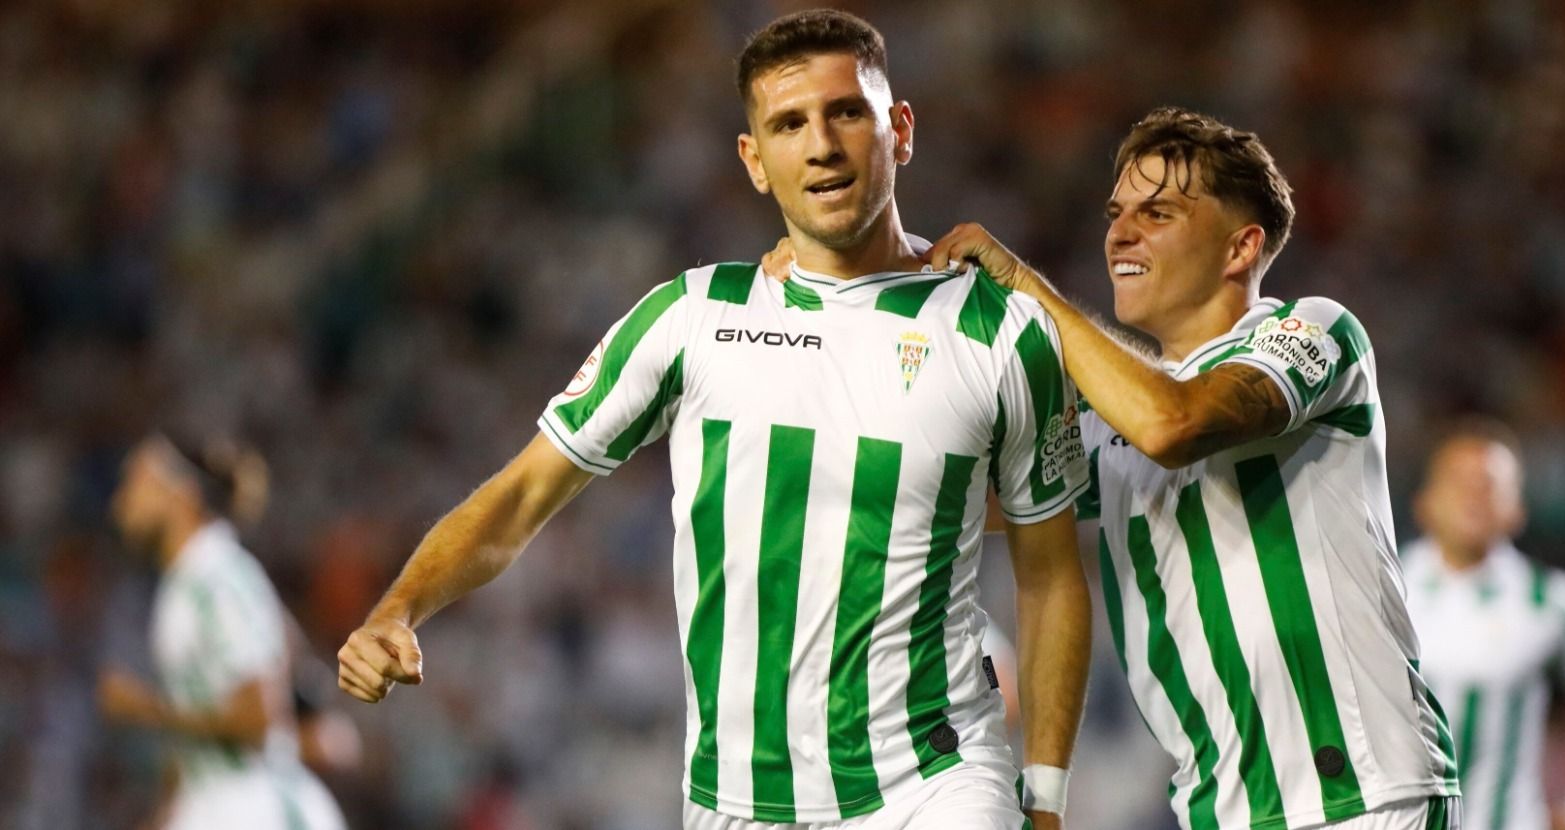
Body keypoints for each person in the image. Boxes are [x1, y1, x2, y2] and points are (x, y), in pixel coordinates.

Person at [336, 10, 1093, 830]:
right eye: (788, 124)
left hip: (934, 783)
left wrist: (1046, 797)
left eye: (846, 112)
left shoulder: (999, 329)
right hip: (737, 797)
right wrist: (396, 609)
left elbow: (1051, 575)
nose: (821, 145)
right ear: (754, 160)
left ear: (900, 130)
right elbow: (520, 498)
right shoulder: (692, 317)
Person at [831, 106, 1462, 829]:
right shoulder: (1109, 423)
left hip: (1363, 797)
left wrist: (1028, 293)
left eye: (1157, 213)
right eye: (1116, 213)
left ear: (1240, 247)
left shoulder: (1313, 330)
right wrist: (861, 322)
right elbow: (949, 498)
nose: (1121, 232)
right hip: (1220, 810)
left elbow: (1175, 423)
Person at [100, 433, 346, 830]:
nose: (121, 501)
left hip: (257, 809)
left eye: (138, 481)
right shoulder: (188, 583)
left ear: (181, 493)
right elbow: (200, 733)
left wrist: (144, 707)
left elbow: (259, 718)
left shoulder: (218, 578)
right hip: (217, 805)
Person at [1402, 419, 1565, 830]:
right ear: (1424, 503)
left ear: (1518, 509)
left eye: (1489, 485)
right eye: (1460, 482)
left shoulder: (1555, 602)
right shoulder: (1383, 589)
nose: (1474, 496)